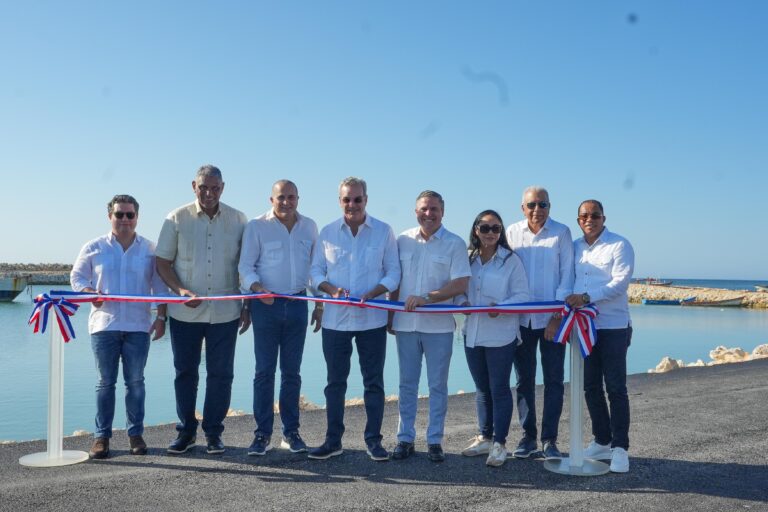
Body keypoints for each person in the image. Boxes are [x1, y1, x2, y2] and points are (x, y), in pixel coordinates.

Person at [155, 165, 249, 455]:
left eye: (215, 188)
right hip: (185, 314)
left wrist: (246, 305)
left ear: (223, 188)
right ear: (193, 186)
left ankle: (213, 432)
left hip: (226, 313)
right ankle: (186, 431)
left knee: (221, 374)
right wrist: (180, 291)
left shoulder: (239, 219)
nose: (209, 193)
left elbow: (244, 266)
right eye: (203, 187)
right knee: (185, 372)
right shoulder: (176, 218)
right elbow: (161, 263)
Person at [308, 177, 400, 461]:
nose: (352, 204)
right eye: (347, 199)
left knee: (373, 383)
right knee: (335, 383)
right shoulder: (326, 233)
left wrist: (374, 293)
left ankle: (374, 441)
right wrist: (331, 290)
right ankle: (333, 441)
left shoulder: (383, 232)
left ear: (366, 200)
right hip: (335, 322)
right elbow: (314, 274)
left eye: (357, 199)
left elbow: (393, 273)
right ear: (340, 201)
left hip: (372, 320)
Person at [70, 194, 168, 459]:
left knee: (135, 382)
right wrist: (89, 291)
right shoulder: (94, 247)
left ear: (137, 217)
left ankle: (135, 434)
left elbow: (159, 286)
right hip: (104, 326)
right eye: (119, 214)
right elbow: (77, 277)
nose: (125, 220)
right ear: (110, 216)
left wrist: (161, 317)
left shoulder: (150, 248)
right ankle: (101, 438)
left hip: (138, 326)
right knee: (105, 383)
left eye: (130, 215)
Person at [237, 180, 320, 456]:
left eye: (291, 197)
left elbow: (316, 268)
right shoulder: (257, 226)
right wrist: (258, 292)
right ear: (271, 199)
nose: (286, 202)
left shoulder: (309, 226)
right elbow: (245, 267)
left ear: (299, 198)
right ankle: (261, 435)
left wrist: (319, 304)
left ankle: (291, 433)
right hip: (266, 305)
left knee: (292, 373)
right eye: (281, 197)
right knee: (264, 372)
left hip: (298, 303)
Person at [388, 191, 470, 462]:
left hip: (439, 327)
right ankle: (405, 439)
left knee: (437, 386)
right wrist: (390, 315)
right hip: (406, 324)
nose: (429, 213)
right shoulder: (402, 240)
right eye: (424, 208)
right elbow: (395, 280)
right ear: (416, 211)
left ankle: (435, 440)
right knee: (407, 384)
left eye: (434, 209)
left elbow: (460, 284)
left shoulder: (455, 244)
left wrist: (427, 298)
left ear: (442, 211)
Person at [566, 199, 634, 473]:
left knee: (616, 388)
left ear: (603, 218)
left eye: (595, 215)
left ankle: (620, 448)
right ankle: (602, 441)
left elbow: (620, 283)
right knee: (590, 387)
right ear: (578, 219)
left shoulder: (619, 245)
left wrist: (586, 297)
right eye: (584, 215)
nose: (589, 219)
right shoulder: (573, 248)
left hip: (613, 327)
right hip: (584, 328)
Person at [506, 186, 574, 459]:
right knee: (523, 381)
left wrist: (557, 316)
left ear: (550, 206)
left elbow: (566, 275)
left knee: (554, 381)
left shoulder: (562, 233)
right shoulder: (511, 232)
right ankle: (528, 437)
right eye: (532, 205)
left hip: (552, 322)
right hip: (521, 321)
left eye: (543, 204)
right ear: (523, 207)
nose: (537, 210)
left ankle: (550, 440)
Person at [460, 210, 529, 466]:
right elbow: (457, 290)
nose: (490, 233)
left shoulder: (511, 261)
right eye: (485, 227)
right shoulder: (467, 259)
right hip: (473, 334)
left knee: (499, 388)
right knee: (481, 390)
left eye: (496, 228)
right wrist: (461, 303)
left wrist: (501, 306)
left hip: (501, 335)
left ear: (501, 232)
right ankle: (484, 437)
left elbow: (523, 296)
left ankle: (500, 443)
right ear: (476, 229)